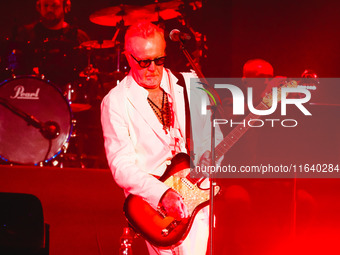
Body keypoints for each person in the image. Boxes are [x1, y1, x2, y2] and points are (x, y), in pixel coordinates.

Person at [101, 22, 222, 254]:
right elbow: (121, 167)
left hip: (197, 196)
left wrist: (210, 157)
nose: (153, 69)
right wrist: (162, 194)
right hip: (154, 208)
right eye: (144, 62)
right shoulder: (115, 101)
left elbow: (212, 137)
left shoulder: (190, 85)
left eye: (159, 60)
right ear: (128, 58)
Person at [12, 0, 89, 88]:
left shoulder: (79, 37)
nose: (49, 9)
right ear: (38, 7)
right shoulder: (26, 34)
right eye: (45, 5)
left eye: (54, 6)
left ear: (66, 7)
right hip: (31, 91)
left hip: (70, 95)